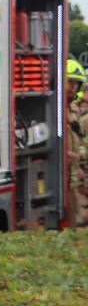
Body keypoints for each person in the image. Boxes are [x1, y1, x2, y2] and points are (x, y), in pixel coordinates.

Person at [66, 59, 88, 227]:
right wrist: (65, 154)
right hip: (60, 172)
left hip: (73, 173)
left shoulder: (73, 109)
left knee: (73, 217)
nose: (73, 86)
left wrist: (81, 166)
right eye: (70, 81)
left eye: (76, 83)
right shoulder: (54, 109)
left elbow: (79, 140)